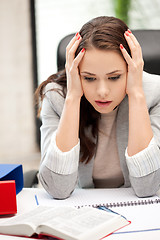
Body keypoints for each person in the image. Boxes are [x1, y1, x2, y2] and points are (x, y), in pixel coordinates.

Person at [35, 16, 160, 199]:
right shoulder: (56, 97)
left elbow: (147, 188)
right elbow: (58, 189)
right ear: (76, 72)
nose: (102, 92)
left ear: (132, 69)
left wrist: (136, 95)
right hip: (80, 213)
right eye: (89, 78)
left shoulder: (155, 93)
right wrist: (73, 98)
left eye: (114, 77)